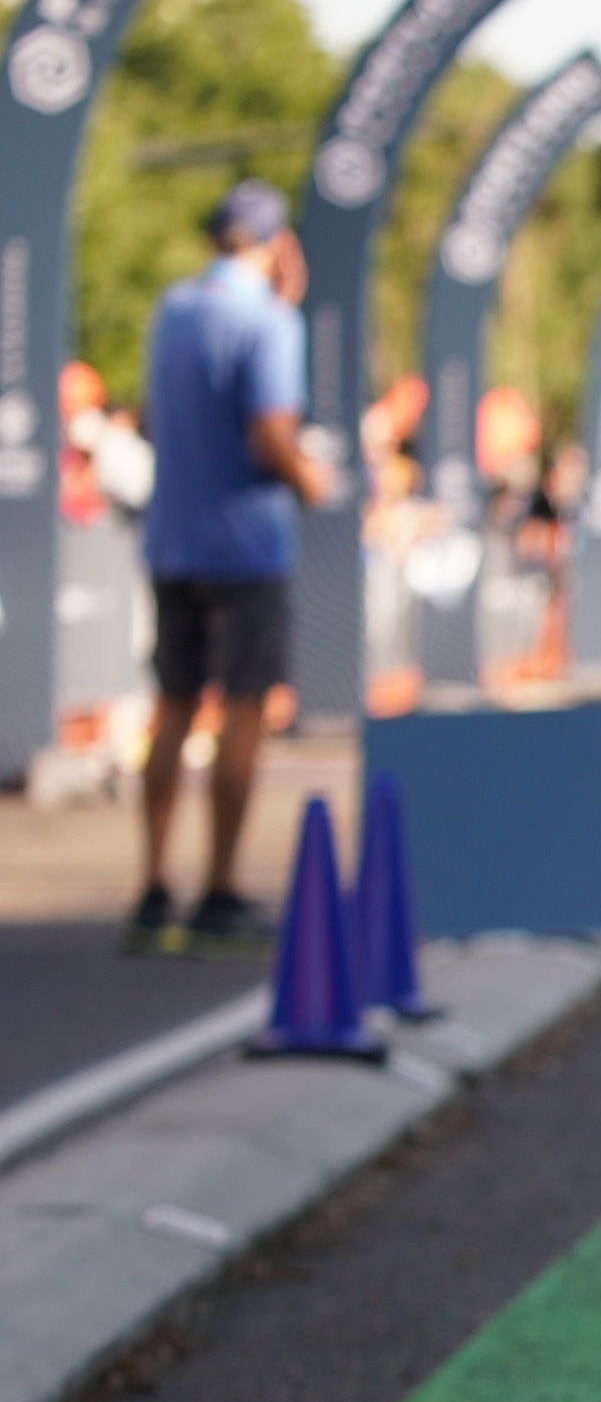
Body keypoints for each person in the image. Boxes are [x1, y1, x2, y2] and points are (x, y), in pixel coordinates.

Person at [130, 180, 327, 953]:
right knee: (244, 711)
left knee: (173, 709)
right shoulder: (269, 320)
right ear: (278, 246)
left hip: (172, 539)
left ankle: (153, 889)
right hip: (245, 545)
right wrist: (312, 481)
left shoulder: (173, 310)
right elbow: (270, 432)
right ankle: (217, 891)